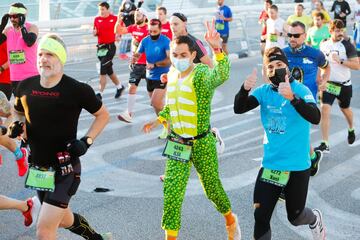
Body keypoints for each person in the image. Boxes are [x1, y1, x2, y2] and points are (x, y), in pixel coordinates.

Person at [142, 20, 241, 240]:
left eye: (183, 54)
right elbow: (172, 104)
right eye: (174, 54)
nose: (178, 59)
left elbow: (221, 75)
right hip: (178, 143)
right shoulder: (173, 74)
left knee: (212, 190)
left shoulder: (201, 74)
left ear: (193, 55)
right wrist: (158, 120)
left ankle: (230, 220)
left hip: (201, 143)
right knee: (172, 193)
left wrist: (217, 49)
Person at [11, 33, 111, 240]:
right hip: (39, 169)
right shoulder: (25, 86)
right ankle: (96, 238)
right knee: (64, 219)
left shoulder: (77, 89)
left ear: (61, 59)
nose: (43, 59)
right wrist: (16, 125)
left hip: (66, 169)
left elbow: (103, 115)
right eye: (41, 54)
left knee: (45, 230)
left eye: (50, 54)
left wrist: (86, 142)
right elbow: (17, 111)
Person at [234, 47, 325, 240]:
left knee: (296, 216)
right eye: (270, 67)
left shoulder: (300, 90)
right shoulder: (264, 92)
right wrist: (244, 89)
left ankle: (314, 219)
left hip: (297, 165)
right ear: (266, 72)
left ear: (287, 66)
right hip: (271, 164)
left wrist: (292, 98)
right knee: (260, 216)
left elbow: (315, 117)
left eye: (279, 65)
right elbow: (239, 108)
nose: (276, 69)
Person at [284, 21, 331, 176]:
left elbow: (327, 67)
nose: (292, 38)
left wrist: (324, 81)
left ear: (304, 36)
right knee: (295, 135)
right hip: (287, 101)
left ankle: (288, 178)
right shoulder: (283, 53)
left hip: (307, 104)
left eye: (296, 35)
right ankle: (313, 157)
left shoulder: (315, 54)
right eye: (289, 35)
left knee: (293, 136)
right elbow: (270, 70)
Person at [315, 20, 360, 152]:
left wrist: (340, 60)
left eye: (341, 30)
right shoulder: (323, 44)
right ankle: (325, 143)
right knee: (325, 110)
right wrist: (319, 78)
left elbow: (357, 66)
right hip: (328, 84)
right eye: (337, 30)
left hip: (344, 85)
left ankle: (351, 128)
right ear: (331, 31)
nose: (340, 33)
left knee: (345, 109)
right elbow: (320, 62)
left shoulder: (347, 45)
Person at [132, 18, 171, 139]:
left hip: (163, 76)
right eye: (150, 31)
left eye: (154, 31)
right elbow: (138, 54)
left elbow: (169, 60)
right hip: (150, 77)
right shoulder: (145, 40)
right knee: (156, 106)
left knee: (155, 102)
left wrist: (155, 64)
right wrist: (134, 59)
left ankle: (169, 128)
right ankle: (167, 126)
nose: (152, 34)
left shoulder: (166, 41)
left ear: (160, 29)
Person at [115, 8, 149, 123]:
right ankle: (129, 113)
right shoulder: (133, 27)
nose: (136, 17)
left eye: (139, 15)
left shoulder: (149, 29)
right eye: (135, 15)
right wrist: (118, 20)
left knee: (153, 95)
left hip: (149, 65)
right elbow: (118, 30)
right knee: (132, 87)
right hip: (137, 64)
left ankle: (165, 114)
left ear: (145, 17)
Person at [1, 3, 38, 96]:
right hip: (15, 77)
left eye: (15, 16)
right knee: (19, 109)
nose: (12, 19)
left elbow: (29, 42)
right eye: (10, 16)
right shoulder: (8, 30)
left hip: (31, 76)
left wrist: (22, 27)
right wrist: (1, 26)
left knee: (30, 108)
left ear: (23, 16)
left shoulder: (31, 28)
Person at [93, 1, 125, 100]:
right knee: (109, 70)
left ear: (108, 9)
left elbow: (121, 28)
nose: (101, 12)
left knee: (103, 68)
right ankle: (120, 87)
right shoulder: (97, 19)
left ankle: (99, 93)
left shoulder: (114, 18)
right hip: (100, 48)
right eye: (100, 10)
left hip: (110, 47)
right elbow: (95, 31)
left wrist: (119, 35)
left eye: (103, 9)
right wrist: (94, 33)